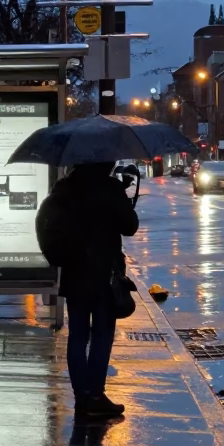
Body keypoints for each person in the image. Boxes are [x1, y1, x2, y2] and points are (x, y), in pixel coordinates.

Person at [39, 163, 139, 419]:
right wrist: (124, 197)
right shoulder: (110, 188)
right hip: (103, 273)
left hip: (74, 271)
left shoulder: (65, 188)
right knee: (103, 334)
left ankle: (81, 396)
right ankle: (95, 395)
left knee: (78, 335)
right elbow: (129, 226)